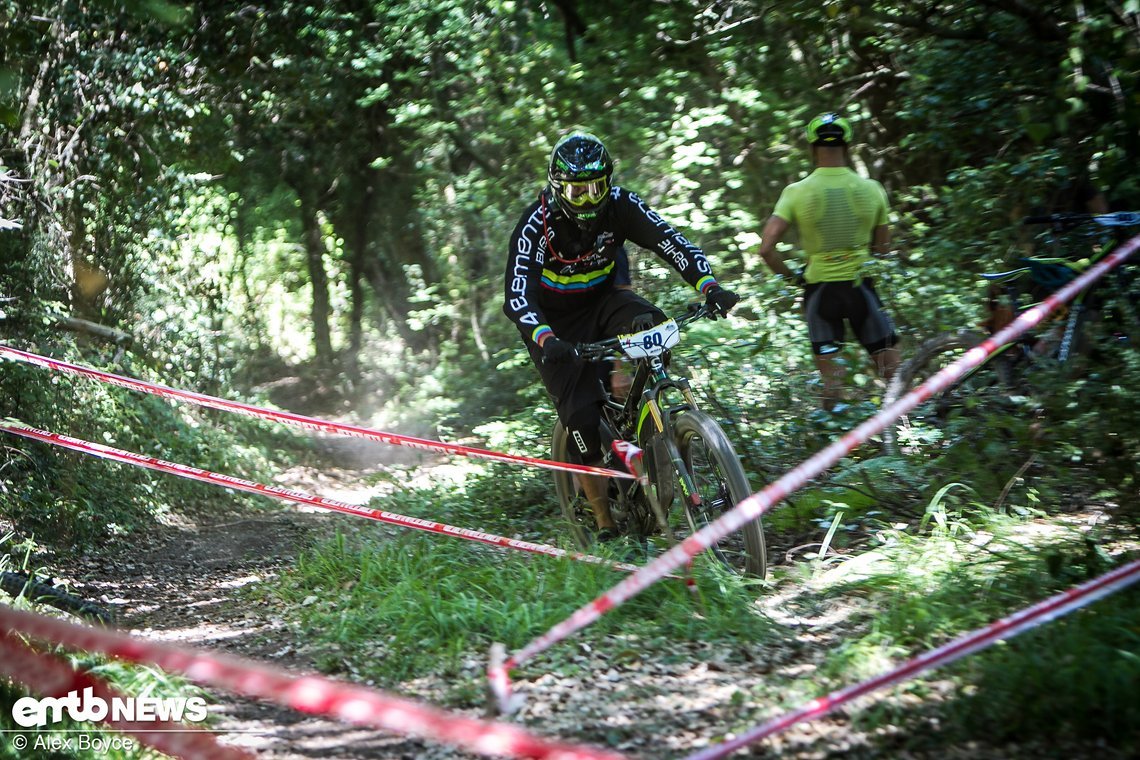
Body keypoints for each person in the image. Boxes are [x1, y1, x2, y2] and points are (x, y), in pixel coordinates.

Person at [503, 131, 739, 541]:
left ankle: (652, 420)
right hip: (554, 326)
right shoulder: (535, 225)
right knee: (581, 422)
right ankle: (603, 519)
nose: (588, 199)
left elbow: (671, 242)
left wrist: (708, 286)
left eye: (597, 187)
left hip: (604, 301)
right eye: (577, 191)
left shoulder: (621, 205)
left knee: (654, 323)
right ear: (558, 187)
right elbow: (516, 294)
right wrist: (546, 339)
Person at [756, 112, 899, 411]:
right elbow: (883, 250)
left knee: (832, 384)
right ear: (847, 146)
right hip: (862, 288)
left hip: (819, 292)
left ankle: (834, 445)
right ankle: (905, 434)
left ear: (812, 148)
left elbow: (766, 248)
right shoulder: (872, 189)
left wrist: (794, 280)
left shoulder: (796, 192)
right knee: (892, 374)